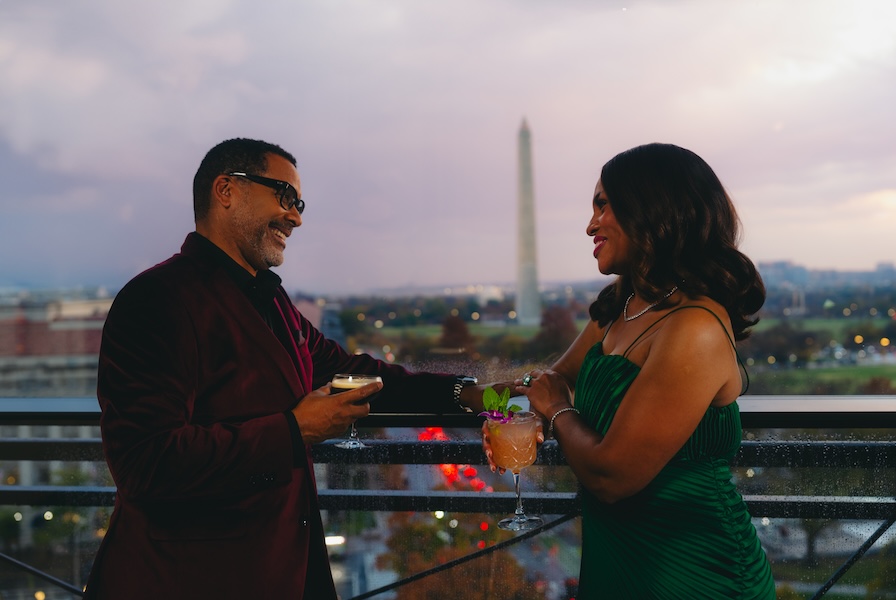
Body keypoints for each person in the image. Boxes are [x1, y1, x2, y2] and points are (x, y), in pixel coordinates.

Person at [83, 138, 488, 599]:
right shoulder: (155, 300)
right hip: (186, 579)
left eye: (299, 203)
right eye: (284, 196)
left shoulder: (270, 299)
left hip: (279, 572)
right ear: (226, 190)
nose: (296, 217)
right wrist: (293, 431)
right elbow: (145, 463)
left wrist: (466, 394)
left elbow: (349, 371)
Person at [486, 143, 776, 598]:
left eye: (603, 205)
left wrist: (557, 410)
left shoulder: (695, 327)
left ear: (652, 209)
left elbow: (612, 477)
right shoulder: (624, 306)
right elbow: (553, 379)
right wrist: (502, 410)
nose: (590, 225)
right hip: (614, 561)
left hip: (694, 573)